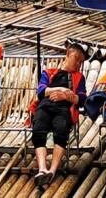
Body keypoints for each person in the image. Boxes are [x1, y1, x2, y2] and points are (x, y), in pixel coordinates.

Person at [31, 42, 88, 185]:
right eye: (77, 59)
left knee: (61, 131)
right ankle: (42, 168)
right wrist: (62, 90)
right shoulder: (49, 72)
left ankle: (53, 170)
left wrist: (67, 97)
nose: (78, 64)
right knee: (38, 130)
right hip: (45, 105)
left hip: (64, 108)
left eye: (81, 62)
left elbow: (81, 99)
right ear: (68, 54)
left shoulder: (79, 77)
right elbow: (41, 91)